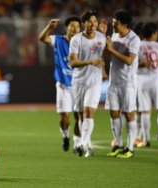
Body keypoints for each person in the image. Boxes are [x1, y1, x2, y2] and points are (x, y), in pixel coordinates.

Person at [38, 16, 82, 152]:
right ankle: (65, 136)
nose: (74, 28)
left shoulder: (82, 43)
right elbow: (42, 39)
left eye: (77, 26)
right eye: (72, 26)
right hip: (63, 85)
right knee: (65, 117)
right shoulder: (59, 40)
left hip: (79, 85)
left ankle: (77, 143)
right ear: (66, 27)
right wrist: (49, 27)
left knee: (79, 116)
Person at [68, 10, 106, 157]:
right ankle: (86, 141)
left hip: (94, 82)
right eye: (90, 21)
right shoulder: (76, 40)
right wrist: (90, 62)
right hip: (79, 81)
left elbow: (104, 54)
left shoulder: (102, 38)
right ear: (84, 23)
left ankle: (83, 145)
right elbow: (72, 62)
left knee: (89, 112)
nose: (93, 24)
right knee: (79, 116)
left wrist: (103, 71)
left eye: (95, 21)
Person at [105, 9, 141, 158]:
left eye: (116, 24)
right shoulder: (114, 35)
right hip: (114, 82)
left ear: (125, 25)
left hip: (128, 83)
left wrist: (111, 50)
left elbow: (129, 60)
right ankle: (118, 145)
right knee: (114, 113)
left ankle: (130, 148)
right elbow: (109, 51)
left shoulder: (134, 39)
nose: (113, 26)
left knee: (128, 114)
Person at [135, 22, 158, 147]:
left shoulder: (137, 45)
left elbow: (132, 63)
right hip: (156, 80)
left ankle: (146, 139)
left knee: (145, 111)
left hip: (142, 81)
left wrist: (141, 64)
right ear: (154, 33)